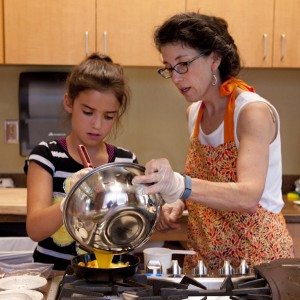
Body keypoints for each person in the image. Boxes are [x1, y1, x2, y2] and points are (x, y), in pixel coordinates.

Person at [133, 12, 294, 272]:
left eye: (183, 64)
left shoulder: (251, 112)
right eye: (169, 67)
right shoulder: (194, 113)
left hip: (255, 260)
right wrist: (178, 202)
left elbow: (248, 196)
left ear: (215, 59)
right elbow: (206, 178)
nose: (175, 77)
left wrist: (179, 185)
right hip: (205, 257)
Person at [24, 53, 138, 270]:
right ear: (69, 102)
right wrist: (70, 201)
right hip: (56, 276)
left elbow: (128, 231)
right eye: (88, 112)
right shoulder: (46, 156)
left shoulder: (125, 162)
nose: (97, 125)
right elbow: (35, 230)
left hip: (108, 277)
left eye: (109, 116)